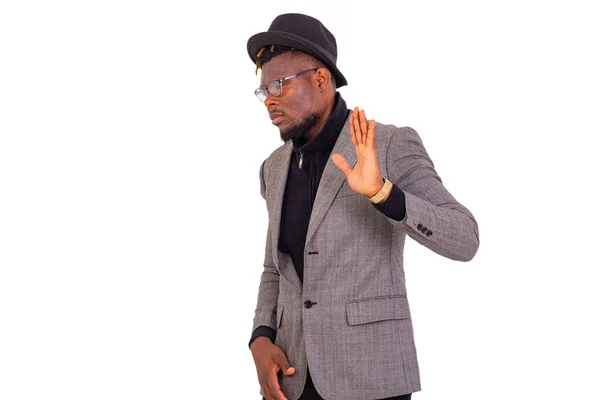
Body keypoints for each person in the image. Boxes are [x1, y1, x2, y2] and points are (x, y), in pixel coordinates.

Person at [246, 13, 480, 400]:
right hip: (291, 377)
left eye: (278, 85)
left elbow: (464, 238)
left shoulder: (388, 144)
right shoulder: (273, 167)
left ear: (320, 79)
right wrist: (260, 336)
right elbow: (275, 266)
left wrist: (384, 194)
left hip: (371, 377)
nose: (268, 99)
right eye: (262, 91)